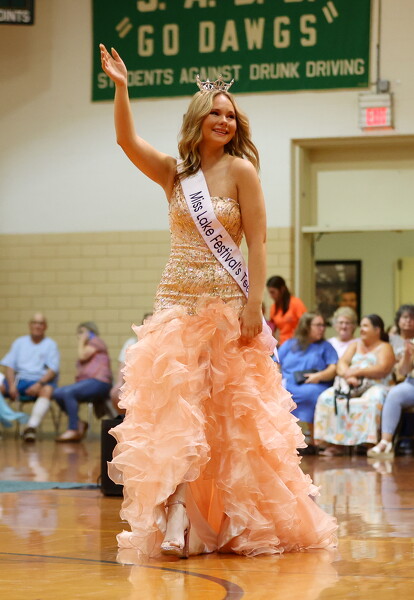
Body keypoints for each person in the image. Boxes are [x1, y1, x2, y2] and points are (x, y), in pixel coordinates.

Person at [100, 44, 337, 560]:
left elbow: (259, 243)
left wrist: (254, 304)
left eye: (231, 115)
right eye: (216, 113)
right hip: (175, 305)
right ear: (198, 119)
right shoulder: (173, 173)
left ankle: (213, 517)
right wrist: (122, 88)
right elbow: (125, 140)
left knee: (225, 419)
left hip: (227, 307)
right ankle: (178, 511)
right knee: (176, 415)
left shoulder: (241, 171)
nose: (225, 121)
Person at [314, 315, 395, 457]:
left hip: (376, 384)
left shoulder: (385, 347)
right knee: (326, 397)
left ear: (377, 330)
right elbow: (341, 364)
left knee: (373, 399)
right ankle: (336, 443)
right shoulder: (355, 344)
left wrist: (358, 372)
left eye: (365, 326)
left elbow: (383, 369)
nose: (361, 329)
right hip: (351, 384)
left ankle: (368, 442)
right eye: (361, 326)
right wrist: (349, 375)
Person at [278, 313, 338, 451]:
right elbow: (275, 363)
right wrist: (276, 379)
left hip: (315, 384)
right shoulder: (290, 344)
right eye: (318, 325)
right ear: (306, 326)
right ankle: (286, 440)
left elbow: (333, 368)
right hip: (289, 383)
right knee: (279, 396)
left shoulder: (325, 346)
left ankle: (315, 440)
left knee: (312, 395)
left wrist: (319, 376)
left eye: (323, 325)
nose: (322, 328)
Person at [0, 313, 60, 442]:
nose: (37, 326)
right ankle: (7, 418)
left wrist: (39, 384)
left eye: (41, 323)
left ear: (45, 326)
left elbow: (52, 370)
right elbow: (9, 366)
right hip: (18, 381)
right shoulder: (19, 342)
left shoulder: (51, 345)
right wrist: (11, 385)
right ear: (30, 325)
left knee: (47, 390)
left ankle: (31, 427)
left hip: (39, 382)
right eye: (35, 323)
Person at [368, 305, 414, 458]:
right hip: (410, 383)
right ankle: (385, 442)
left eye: (412, 318)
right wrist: (407, 355)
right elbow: (403, 372)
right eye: (405, 317)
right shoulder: (394, 339)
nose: (409, 321)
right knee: (395, 394)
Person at [53, 322, 112, 442]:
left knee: (69, 392)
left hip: (99, 382)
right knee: (57, 393)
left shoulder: (96, 341)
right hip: (87, 383)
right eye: (78, 333)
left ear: (91, 332)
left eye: (82, 332)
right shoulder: (87, 345)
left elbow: (82, 356)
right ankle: (78, 423)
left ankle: (73, 429)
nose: (79, 335)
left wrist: (81, 341)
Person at [266, 276, 307, 345]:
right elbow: (272, 329)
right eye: (269, 293)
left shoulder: (296, 303)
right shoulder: (273, 308)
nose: (271, 296)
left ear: (282, 290)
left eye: (273, 292)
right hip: (282, 345)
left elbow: (306, 323)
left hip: (297, 344)